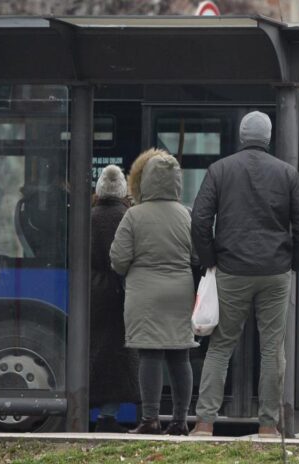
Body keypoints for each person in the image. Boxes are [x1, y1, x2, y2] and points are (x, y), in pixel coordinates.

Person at [190, 111, 299, 437]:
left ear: (243, 136)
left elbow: (200, 220)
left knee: (220, 346)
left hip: (231, 269)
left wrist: (211, 259)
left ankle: (204, 424)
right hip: (275, 272)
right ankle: (267, 427)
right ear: (268, 137)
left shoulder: (219, 170)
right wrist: (293, 264)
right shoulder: (287, 174)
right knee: (272, 349)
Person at [110, 149, 197, 436]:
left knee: (150, 356)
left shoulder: (134, 215)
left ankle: (150, 419)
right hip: (180, 291)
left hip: (144, 293)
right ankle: (181, 420)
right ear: (176, 181)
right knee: (180, 356)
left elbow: (119, 259)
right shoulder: (187, 215)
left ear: (145, 180)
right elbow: (199, 255)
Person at [89, 165, 140, 433]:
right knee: (119, 356)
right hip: (120, 293)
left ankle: (88, 407)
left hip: (92, 295)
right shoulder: (127, 217)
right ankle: (108, 414)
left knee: (93, 352)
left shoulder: (88, 217)